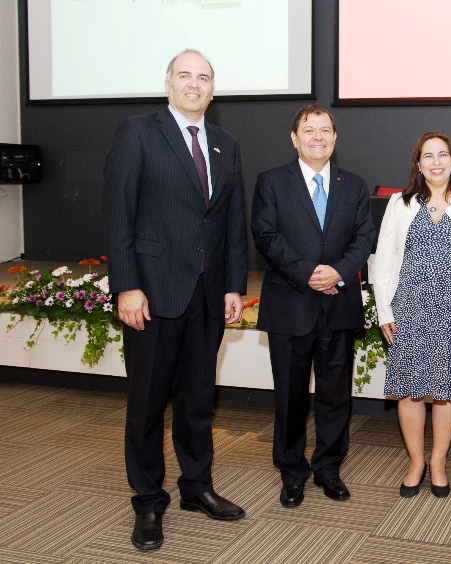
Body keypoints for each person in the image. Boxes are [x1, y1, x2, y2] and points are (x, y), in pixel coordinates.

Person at [103, 49, 248, 551]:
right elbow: (119, 213)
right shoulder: (138, 132)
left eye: (203, 77)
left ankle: (196, 487)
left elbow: (231, 225)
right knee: (146, 405)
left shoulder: (226, 145)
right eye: (184, 76)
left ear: (213, 89)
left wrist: (233, 285)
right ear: (168, 84)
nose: (194, 84)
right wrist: (126, 284)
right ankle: (147, 502)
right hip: (151, 294)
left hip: (207, 298)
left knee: (197, 401)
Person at [251, 105, 374, 509]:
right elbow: (266, 236)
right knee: (290, 396)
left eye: (325, 130)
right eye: (309, 130)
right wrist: (309, 273)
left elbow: (363, 238)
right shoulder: (271, 182)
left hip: (338, 305)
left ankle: (328, 468)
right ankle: (292, 472)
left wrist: (336, 272)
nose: (318, 137)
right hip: (291, 304)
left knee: (336, 395)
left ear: (335, 138)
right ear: (294, 138)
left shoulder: (354, 185)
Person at [372, 132, 451, 498]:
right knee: (409, 392)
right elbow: (383, 263)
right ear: (418, 164)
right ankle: (416, 462)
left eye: (443, 155)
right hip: (408, 308)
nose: (437, 162)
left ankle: (439, 462)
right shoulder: (399, 203)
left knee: (445, 392)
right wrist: (383, 313)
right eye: (428, 156)